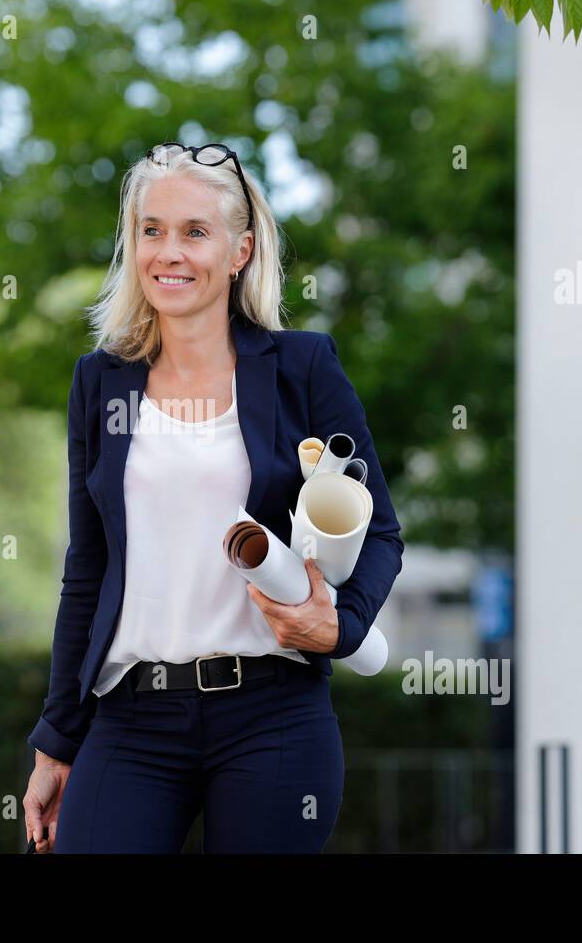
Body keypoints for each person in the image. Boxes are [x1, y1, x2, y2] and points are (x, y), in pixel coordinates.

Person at [22, 142, 404, 853]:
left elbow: (380, 531)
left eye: (195, 232)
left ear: (240, 251)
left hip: (273, 719)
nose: (170, 252)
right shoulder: (99, 383)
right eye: (151, 229)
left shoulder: (303, 368)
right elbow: (90, 567)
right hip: (130, 722)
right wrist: (56, 741)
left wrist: (340, 628)